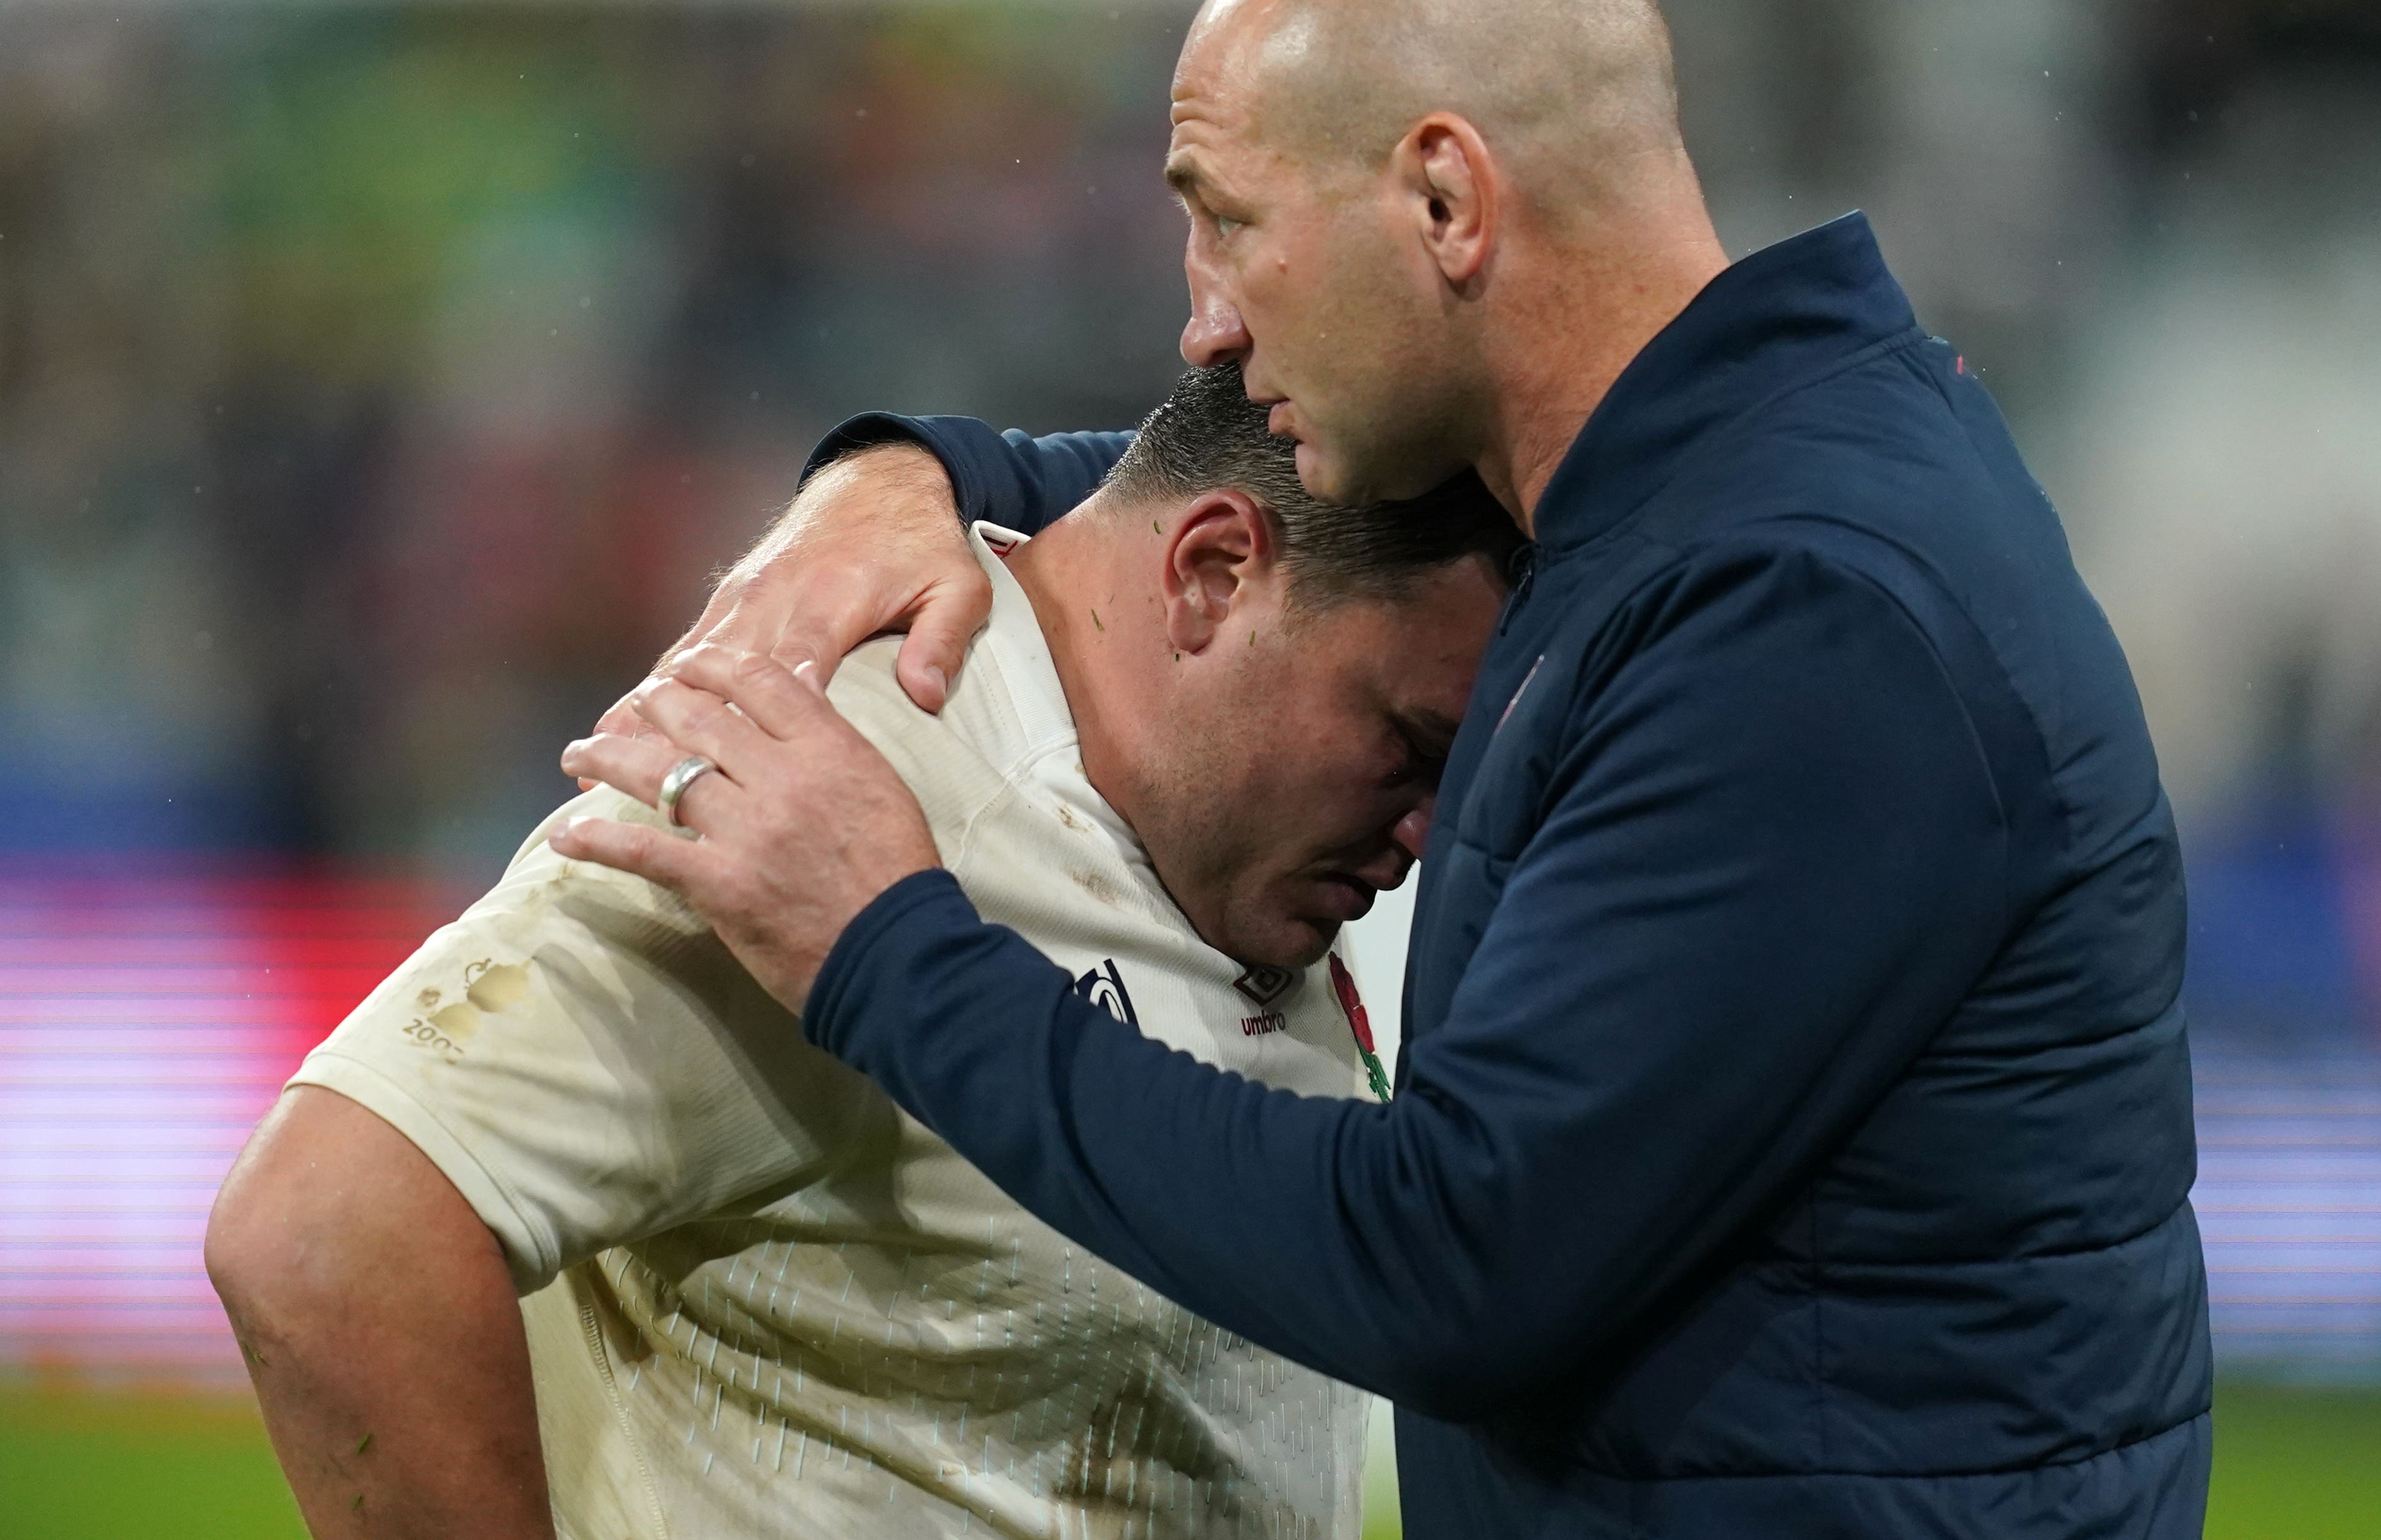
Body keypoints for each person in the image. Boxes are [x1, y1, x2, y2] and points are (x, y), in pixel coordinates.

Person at [568, 0, 2213, 1540]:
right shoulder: (1708, 492)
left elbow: (1450, 1255)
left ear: (1444, 201)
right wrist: (922, 468)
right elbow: (1232, 504)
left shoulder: (1805, 611)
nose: (1205, 311)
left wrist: (883, 946)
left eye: (1230, 217)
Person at [203, 363, 1518, 1540]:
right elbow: (325, 1229)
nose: (1427, 827)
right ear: (1212, 576)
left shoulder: (1227, 833)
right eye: (1406, 744)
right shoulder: (838, 777)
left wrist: (907, 461)